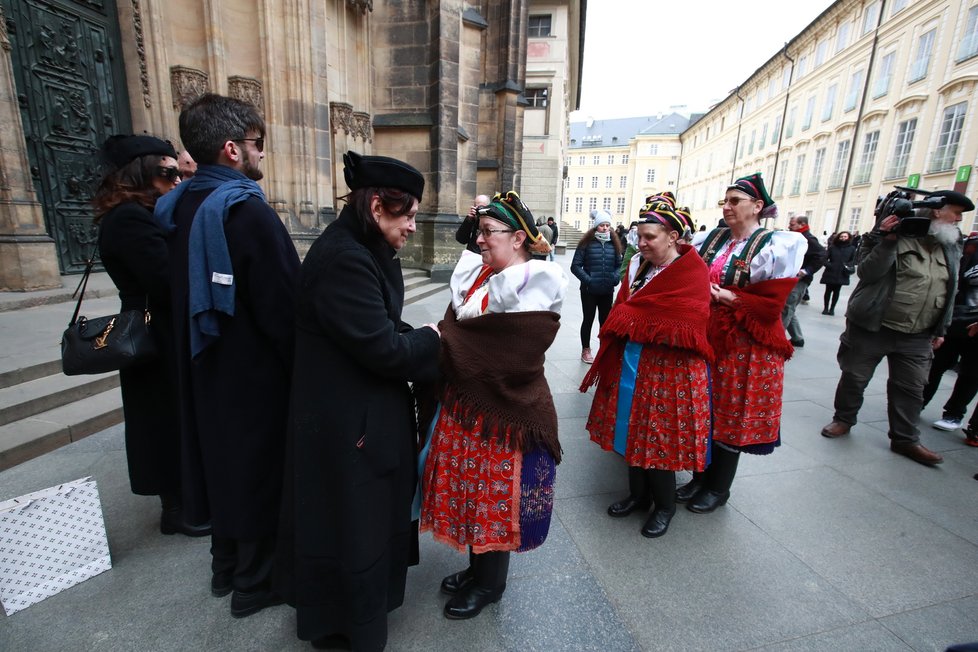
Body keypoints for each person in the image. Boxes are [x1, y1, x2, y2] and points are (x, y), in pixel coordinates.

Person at [280, 151, 441, 651]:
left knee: (357, 527)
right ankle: (351, 627)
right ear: (376, 207)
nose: (413, 226)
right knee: (354, 529)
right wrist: (434, 338)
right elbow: (384, 349)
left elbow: (378, 325)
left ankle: (350, 620)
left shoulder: (361, 247)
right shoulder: (346, 258)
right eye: (407, 214)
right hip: (348, 426)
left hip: (353, 417)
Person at [155, 93, 300, 617]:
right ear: (233, 149)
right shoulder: (245, 212)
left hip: (202, 365)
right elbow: (286, 309)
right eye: (258, 144)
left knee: (221, 464)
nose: (263, 154)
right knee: (258, 472)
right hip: (253, 373)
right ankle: (254, 584)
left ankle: (225, 568)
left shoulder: (177, 205)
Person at [420, 191, 566, 620]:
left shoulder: (534, 282)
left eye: (488, 232)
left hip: (506, 410)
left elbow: (511, 354)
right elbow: (462, 329)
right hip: (471, 406)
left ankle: (491, 584)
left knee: (494, 498)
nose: (479, 240)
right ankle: (474, 568)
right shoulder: (484, 275)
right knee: (472, 492)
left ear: (518, 238)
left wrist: (443, 341)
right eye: (479, 231)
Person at [93, 134, 208, 538]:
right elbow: (163, 277)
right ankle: (176, 509)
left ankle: (185, 500)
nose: (176, 178)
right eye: (167, 171)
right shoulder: (128, 218)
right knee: (162, 419)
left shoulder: (140, 213)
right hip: (152, 332)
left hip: (160, 327)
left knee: (171, 415)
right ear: (142, 172)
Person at [581, 202, 712, 539]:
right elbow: (625, 307)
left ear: (673, 237)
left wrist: (636, 319)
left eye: (649, 237)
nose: (641, 243)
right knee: (631, 430)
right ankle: (638, 496)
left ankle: (664, 506)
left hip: (671, 370)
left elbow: (689, 321)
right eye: (639, 236)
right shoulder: (639, 266)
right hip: (634, 361)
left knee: (659, 439)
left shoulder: (692, 271)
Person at [820, 190, 973, 466]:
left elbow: (950, 288)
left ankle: (905, 439)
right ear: (937, 211)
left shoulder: (951, 244)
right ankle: (843, 419)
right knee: (855, 378)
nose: (959, 219)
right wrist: (887, 239)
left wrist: (941, 328)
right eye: (956, 213)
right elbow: (867, 273)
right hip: (873, 327)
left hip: (918, 334)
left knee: (912, 388)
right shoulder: (888, 235)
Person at [680, 173, 804, 512]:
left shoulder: (776, 244)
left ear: (757, 206)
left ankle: (719, 488)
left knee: (731, 413)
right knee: (702, 409)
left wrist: (727, 297)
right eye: (726, 200)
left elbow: (772, 304)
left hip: (746, 345)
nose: (727, 206)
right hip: (707, 337)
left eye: (735, 200)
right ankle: (700, 478)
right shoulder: (712, 237)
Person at [923, 228, 978, 432]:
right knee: (937, 364)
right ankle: (919, 401)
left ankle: (954, 414)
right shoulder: (970, 247)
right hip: (955, 319)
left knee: (971, 373)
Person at [572, 209, 623, 363]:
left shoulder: (614, 244)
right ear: (596, 226)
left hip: (607, 290)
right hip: (589, 290)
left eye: (607, 225)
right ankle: (586, 350)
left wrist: (615, 278)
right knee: (588, 319)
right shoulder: (586, 243)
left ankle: (604, 349)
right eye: (602, 225)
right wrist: (588, 280)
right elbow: (575, 266)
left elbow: (619, 265)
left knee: (605, 321)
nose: (605, 228)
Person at [780, 214, 826, 347]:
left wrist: (806, 271)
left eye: (792, 224)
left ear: (802, 225)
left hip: (798, 280)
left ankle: (777, 338)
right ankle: (797, 338)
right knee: (789, 308)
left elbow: (822, 255)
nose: (789, 226)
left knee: (787, 308)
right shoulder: (796, 237)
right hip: (791, 278)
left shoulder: (808, 239)